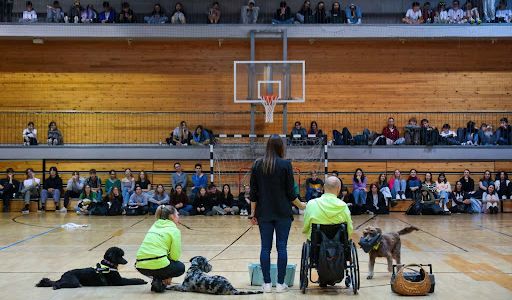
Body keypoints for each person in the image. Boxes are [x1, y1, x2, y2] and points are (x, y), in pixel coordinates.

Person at [249, 135, 305, 293]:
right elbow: (290, 192)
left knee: (265, 248)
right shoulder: (286, 164)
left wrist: (253, 214)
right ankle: (280, 284)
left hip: (264, 213)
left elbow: (253, 193)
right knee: (282, 247)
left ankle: (266, 284)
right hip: (283, 213)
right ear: (281, 147)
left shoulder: (258, 164)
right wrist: (301, 205)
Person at [135, 205, 185, 293]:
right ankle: (161, 279)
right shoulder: (174, 230)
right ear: (172, 216)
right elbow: (175, 257)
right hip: (158, 265)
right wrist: (169, 276)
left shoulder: (154, 225)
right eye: (177, 214)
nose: (178, 216)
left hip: (140, 265)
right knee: (180, 267)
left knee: (159, 262)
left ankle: (157, 280)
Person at [303, 176, 353, 244]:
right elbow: (349, 229)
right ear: (339, 189)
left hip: (316, 244)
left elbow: (306, 227)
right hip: (338, 247)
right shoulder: (344, 206)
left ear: (323, 187)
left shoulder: (311, 204)